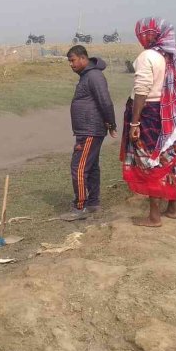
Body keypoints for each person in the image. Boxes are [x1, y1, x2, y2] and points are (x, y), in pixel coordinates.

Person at [121, 18, 176, 227]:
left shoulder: (147, 56)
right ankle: (173, 208)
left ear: (148, 35)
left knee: (151, 160)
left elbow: (142, 90)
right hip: (172, 116)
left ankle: (154, 216)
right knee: (170, 159)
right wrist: (173, 108)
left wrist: (134, 123)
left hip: (149, 114)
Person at [61, 45, 116, 221]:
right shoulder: (87, 76)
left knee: (78, 168)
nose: (71, 64)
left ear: (83, 58)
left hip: (90, 130)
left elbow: (105, 101)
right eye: (69, 61)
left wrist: (111, 123)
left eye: (73, 60)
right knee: (91, 167)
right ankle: (93, 203)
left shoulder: (94, 76)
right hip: (88, 129)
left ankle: (80, 207)